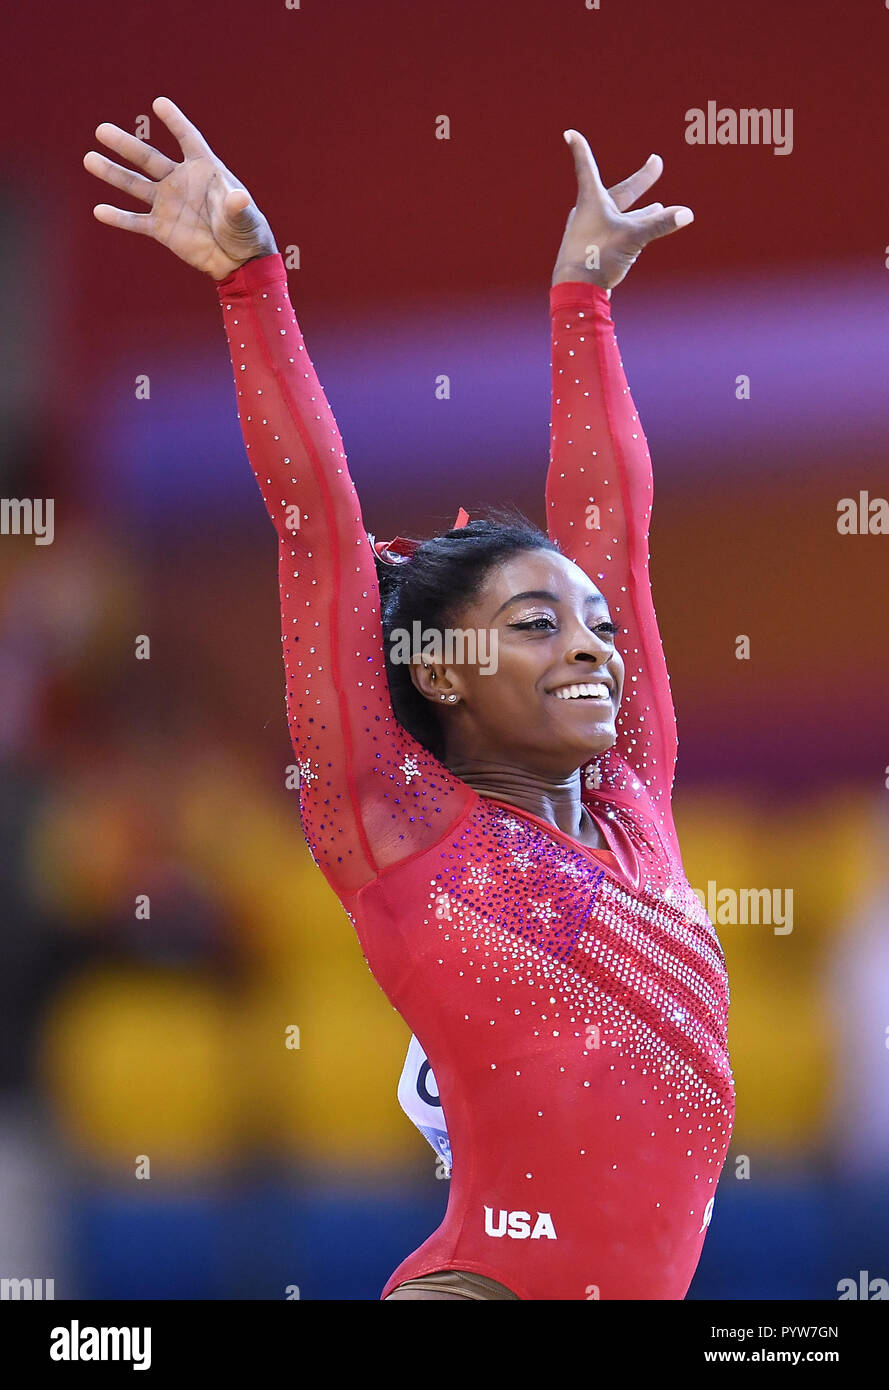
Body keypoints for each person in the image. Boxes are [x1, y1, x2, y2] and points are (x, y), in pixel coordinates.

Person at [84, 98, 735, 1300]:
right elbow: (312, 525)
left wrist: (583, 304)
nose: (593, 646)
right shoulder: (399, 826)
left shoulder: (638, 802)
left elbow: (616, 539)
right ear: (438, 666)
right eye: (534, 626)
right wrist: (249, 282)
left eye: (593, 628)